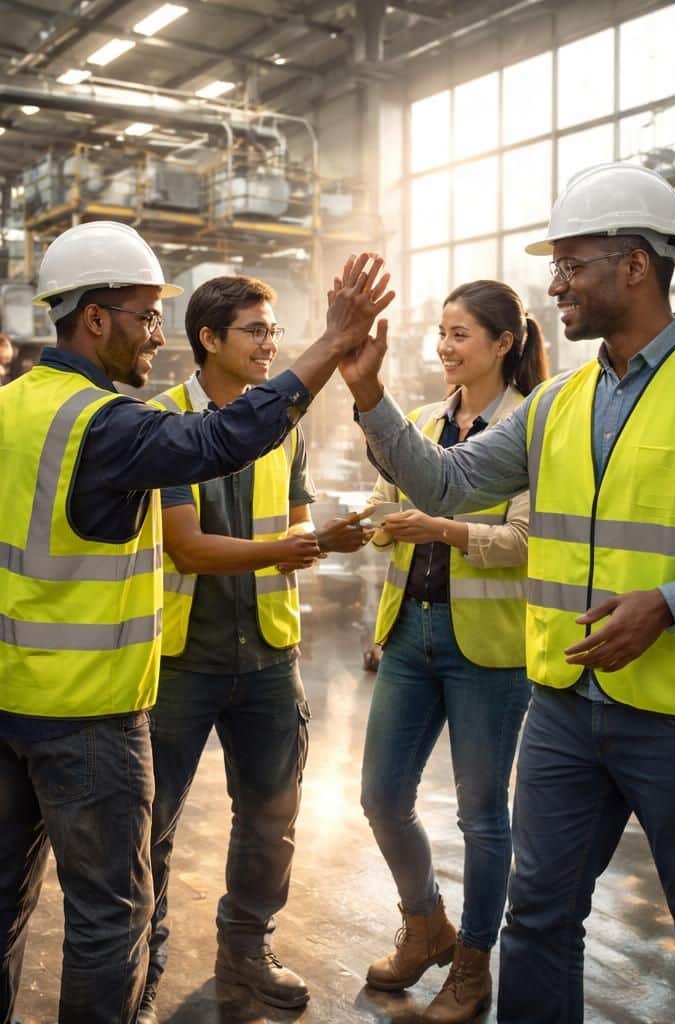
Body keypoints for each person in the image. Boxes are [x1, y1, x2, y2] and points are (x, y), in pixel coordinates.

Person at [344, 163, 675, 1023]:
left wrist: (671, 605)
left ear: (635, 265)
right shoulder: (554, 404)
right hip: (558, 702)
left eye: (572, 263)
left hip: (673, 713)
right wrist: (365, 389)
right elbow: (441, 482)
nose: (555, 282)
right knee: (538, 920)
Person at [0, 219, 389, 1024]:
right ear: (94, 318)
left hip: (11, 700)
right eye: (144, 315)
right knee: (112, 922)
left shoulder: (13, 408)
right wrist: (332, 345)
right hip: (89, 714)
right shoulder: (104, 423)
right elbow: (229, 436)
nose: (154, 334)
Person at [139, 275, 374, 1022]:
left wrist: (329, 539)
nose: (270, 344)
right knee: (153, 826)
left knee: (270, 819)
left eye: (274, 331)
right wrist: (295, 545)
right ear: (209, 339)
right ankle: (142, 968)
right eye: (254, 331)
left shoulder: (285, 425)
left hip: (270, 655)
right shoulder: (160, 421)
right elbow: (187, 549)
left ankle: (247, 948)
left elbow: (299, 528)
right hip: (180, 659)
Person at [359, 281, 546, 1023]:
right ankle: (426, 922)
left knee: (481, 817)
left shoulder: (531, 430)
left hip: (489, 651)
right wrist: (380, 522)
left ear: (504, 343)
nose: (444, 346)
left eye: (461, 333)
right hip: (410, 633)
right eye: (440, 332)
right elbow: (382, 510)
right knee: (380, 796)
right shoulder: (418, 423)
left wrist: (441, 529)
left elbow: (527, 544)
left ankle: (472, 964)